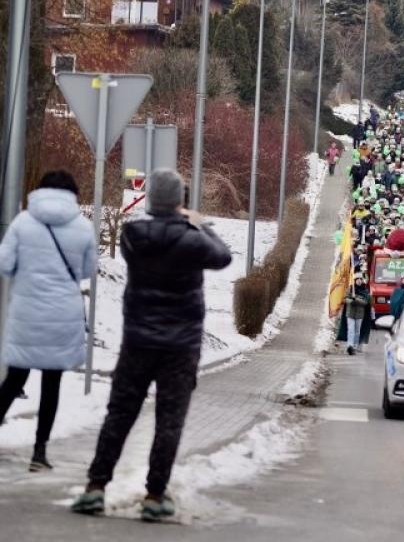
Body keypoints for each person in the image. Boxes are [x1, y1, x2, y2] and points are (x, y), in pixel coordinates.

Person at [72, 168, 231, 522]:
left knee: (120, 413)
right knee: (168, 421)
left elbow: (149, 232)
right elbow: (223, 257)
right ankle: (155, 495)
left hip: (138, 341)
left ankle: (95, 487)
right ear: (179, 201)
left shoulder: (133, 236)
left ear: (152, 199)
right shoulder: (192, 241)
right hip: (181, 347)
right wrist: (199, 225)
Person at [0, 170, 96, 472]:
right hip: (62, 316)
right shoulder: (83, 227)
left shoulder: (23, 222)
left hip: (27, 313)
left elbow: (5, 264)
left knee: (14, 379)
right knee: (51, 384)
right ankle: (39, 453)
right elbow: (87, 270)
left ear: (41, 190)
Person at [345, 274, 371, 355]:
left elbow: (365, 302)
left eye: (360, 279)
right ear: (355, 280)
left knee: (357, 331)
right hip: (350, 313)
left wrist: (355, 299)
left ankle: (355, 346)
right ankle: (350, 346)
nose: (359, 281)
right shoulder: (350, 289)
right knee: (351, 330)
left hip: (359, 314)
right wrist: (351, 301)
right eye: (357, 279)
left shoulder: (365, 291)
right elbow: (346, 299)